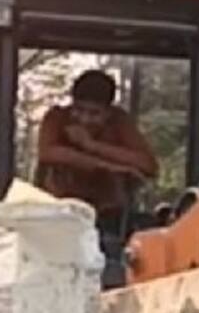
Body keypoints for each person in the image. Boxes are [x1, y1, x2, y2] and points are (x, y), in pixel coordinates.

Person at [34, 68, 159, 235]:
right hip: (57, 211)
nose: (84, 119)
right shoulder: (57, 118)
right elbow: (48, 152)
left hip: (108, 216)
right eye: (78, 110)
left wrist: (91, 145)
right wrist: (106, 166)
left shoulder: (119, 122)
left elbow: (148, 165)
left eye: (94, 113)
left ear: (108, 113)